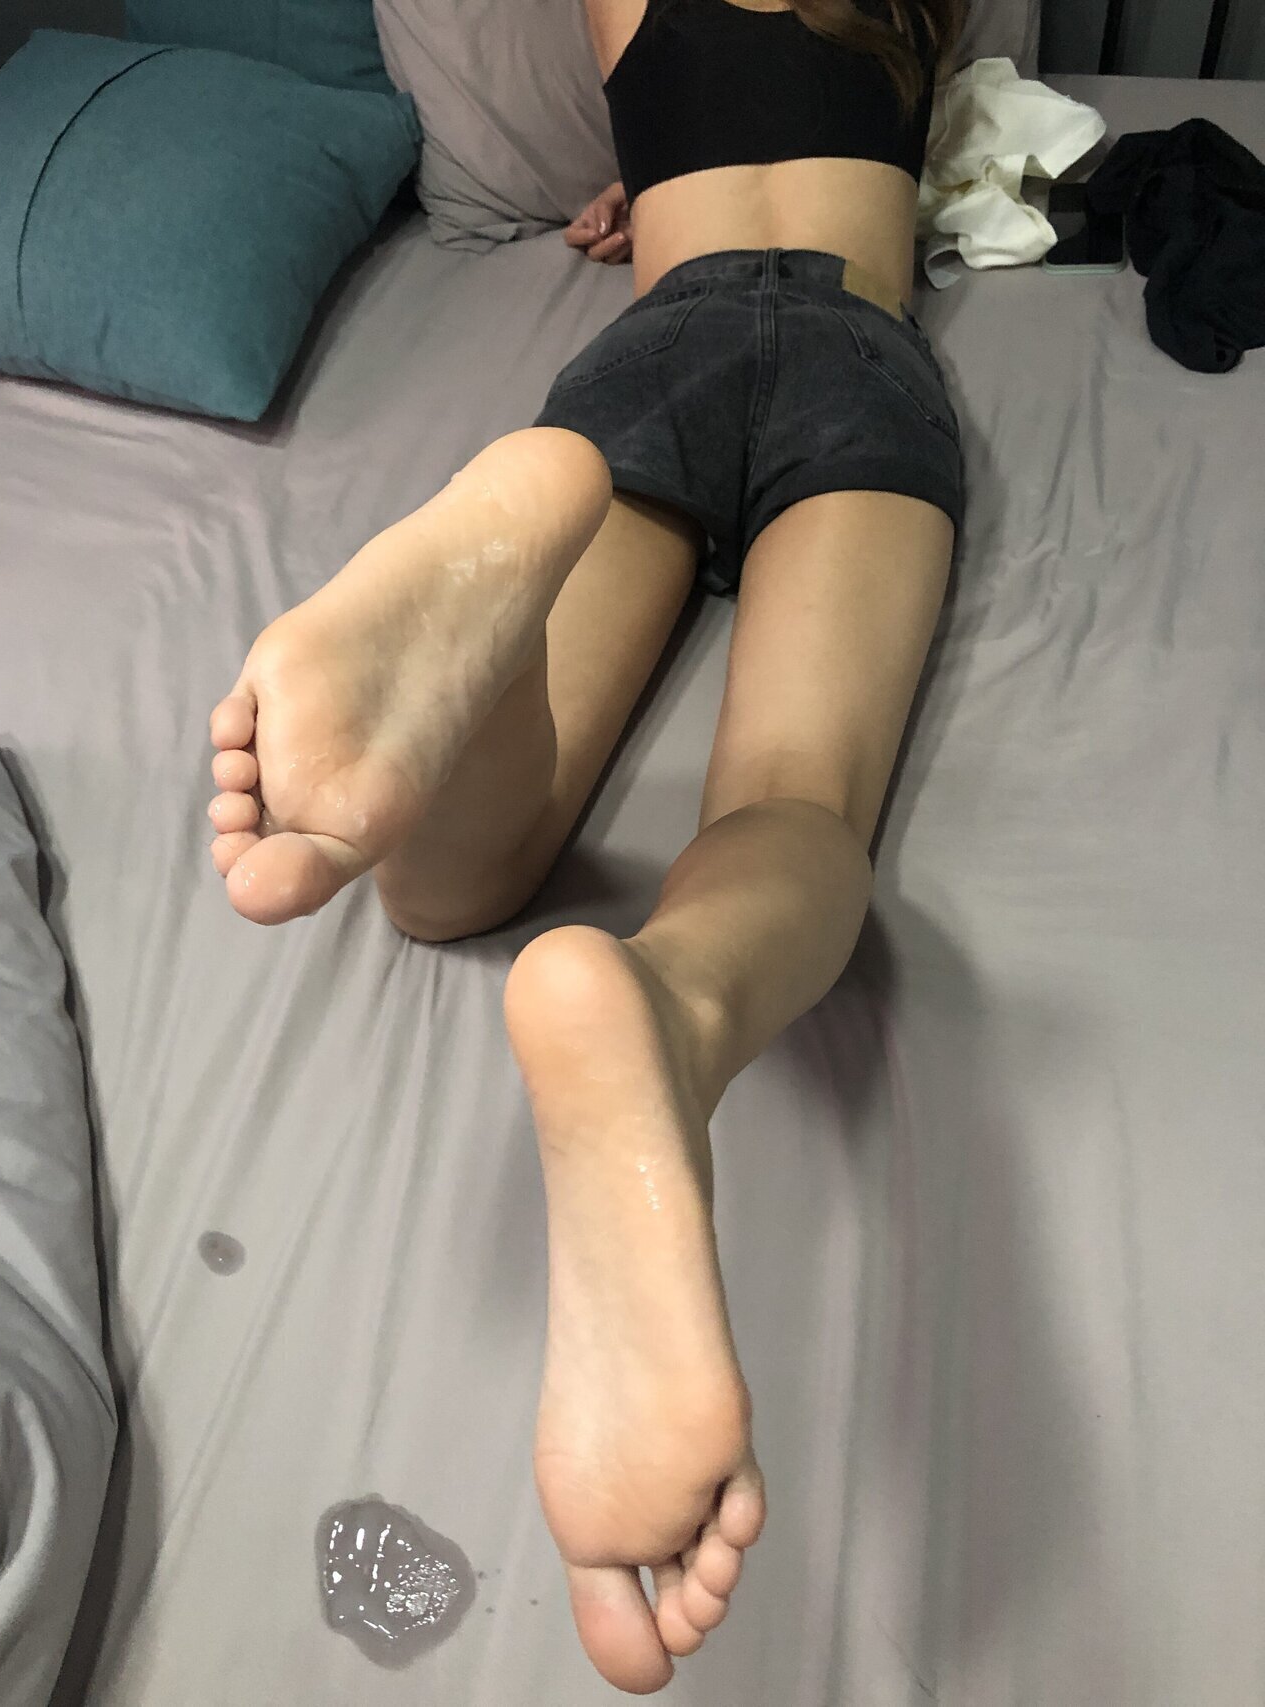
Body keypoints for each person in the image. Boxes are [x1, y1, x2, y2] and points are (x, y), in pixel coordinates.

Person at [206, 0, 966, 1692]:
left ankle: (521, 516)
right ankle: (674, 1014)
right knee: (795, 800)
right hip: (859, 357)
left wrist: (631, 200)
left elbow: (653, 137)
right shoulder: (915, 21)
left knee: (450, 885)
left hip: (649, 356)